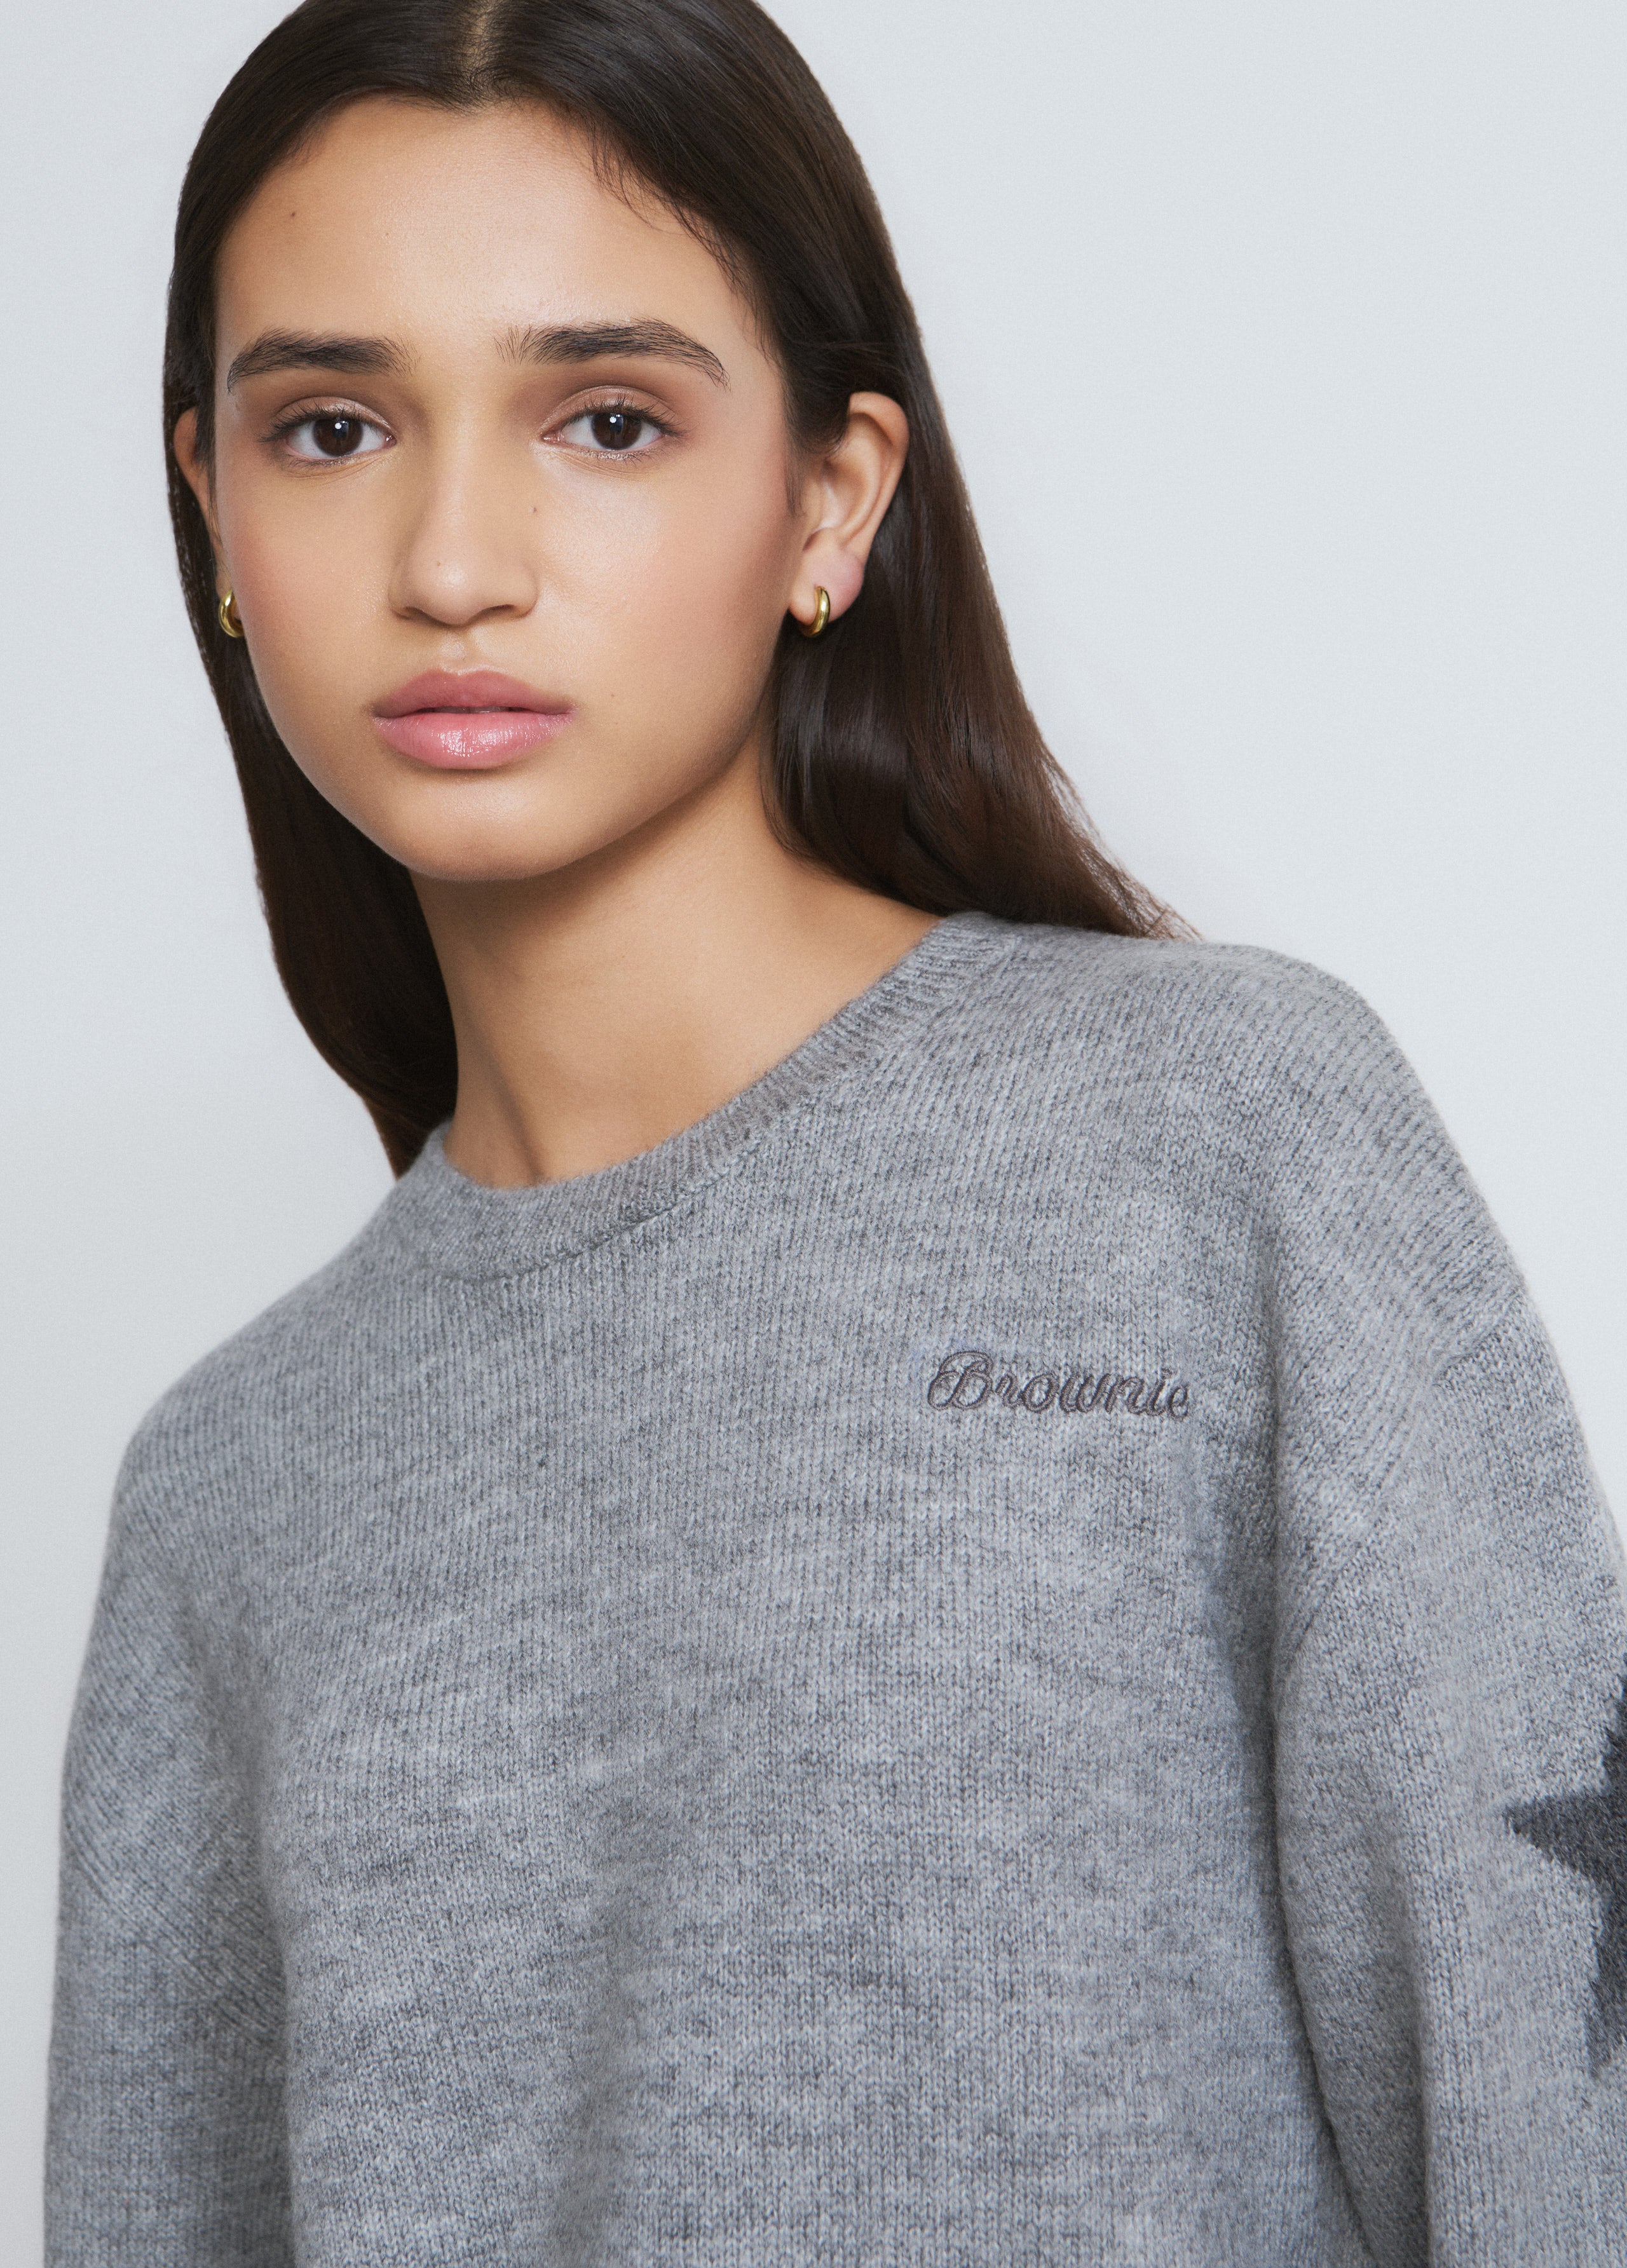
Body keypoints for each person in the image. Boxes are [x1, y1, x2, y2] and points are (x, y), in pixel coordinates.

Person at [45, 0, 1627, 2257]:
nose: (455, 557)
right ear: (213, 505)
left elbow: (1560, 2121)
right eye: (332, 427)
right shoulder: (228, 1491)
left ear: (833, 494)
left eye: (606, 418)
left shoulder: (1217, 1147)